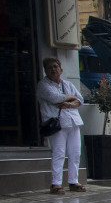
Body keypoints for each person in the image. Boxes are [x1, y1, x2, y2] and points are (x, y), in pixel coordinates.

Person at [36, 57, 86, 194]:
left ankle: (73, 181)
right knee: (59, 153)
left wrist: (69, 103)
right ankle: (56, 183)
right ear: (45, 70)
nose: (53, 69)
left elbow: (80, 100)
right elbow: (54, 98)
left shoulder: (68, 84)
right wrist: (71, 97)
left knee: (75, 153)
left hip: (73, 122)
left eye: (55, 67)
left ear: (61, 69)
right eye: (49, 67)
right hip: (57, 124)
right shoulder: (43, 85)